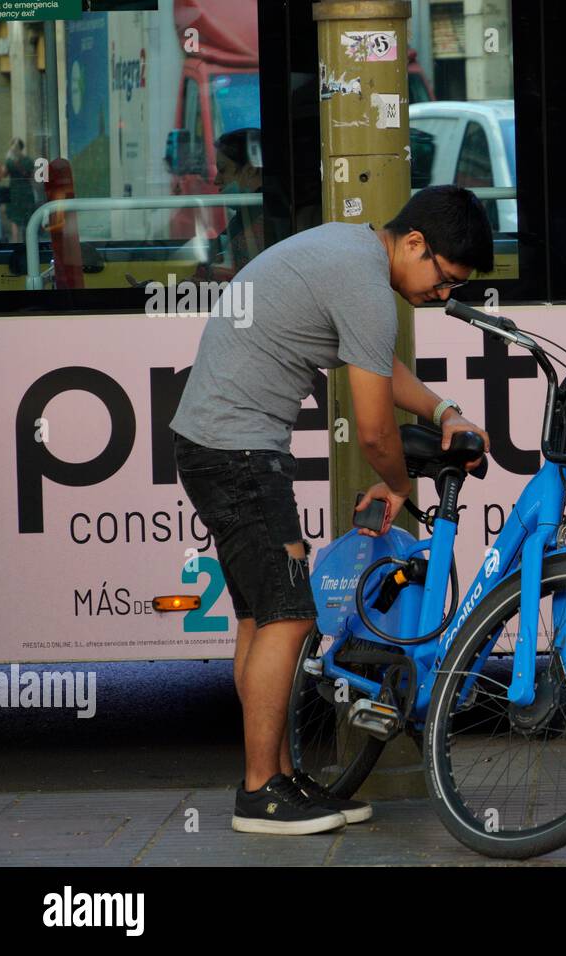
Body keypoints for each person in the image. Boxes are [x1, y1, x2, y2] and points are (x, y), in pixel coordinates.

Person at [169, 185, 494, 835]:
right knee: (289, 617)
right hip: (238, 453)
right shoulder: (367, 285)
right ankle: (261, 791)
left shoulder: (350, 254)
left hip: (216, 444)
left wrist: (442, 411)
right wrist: (401, 487)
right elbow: (374, 430)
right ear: (413, 244)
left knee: (264, 618)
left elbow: (380, 369)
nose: (442, 296)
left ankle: (279, 777)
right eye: (443, 279)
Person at [209, 127, 266, 274]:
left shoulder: (260, 222)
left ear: (250, 171)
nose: (216, 180)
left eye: (223, 170)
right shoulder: (246, 215)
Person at [4, 138, 39, 244]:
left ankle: (16, 244)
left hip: (15, 192)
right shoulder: (28, 160)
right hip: (26, 192)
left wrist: (8, 160)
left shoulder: (10, 161)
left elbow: (4, 174)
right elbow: (32, 177)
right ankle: (28, 243)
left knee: (15, 221)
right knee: (28, 219)